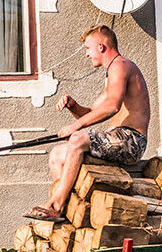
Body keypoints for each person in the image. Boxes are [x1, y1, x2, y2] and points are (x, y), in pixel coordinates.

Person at [28, 24, 151, 220]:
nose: (87, 54)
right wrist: (73, 106)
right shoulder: (113, 72)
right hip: (117, 139)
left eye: (88, 48)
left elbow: (112, 106)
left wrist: (76, 126)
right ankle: (68, 209)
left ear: (101, 47)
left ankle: (57, 204)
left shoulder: (121, 66)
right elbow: (93, 111)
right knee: (57, 154)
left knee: (77, 139)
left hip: (132, 140)